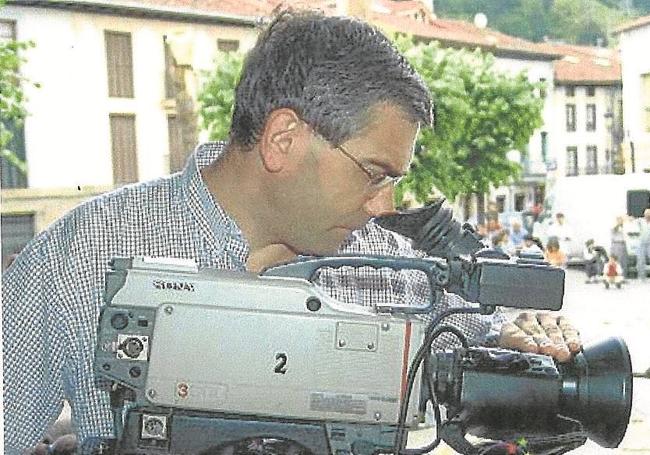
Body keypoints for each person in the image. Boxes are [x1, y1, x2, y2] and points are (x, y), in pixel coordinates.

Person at [2, 10, 581, 454]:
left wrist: (522, 342)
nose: (384, 206)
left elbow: (498, 337)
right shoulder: (81, 255)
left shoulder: (393, 268)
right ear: (283, 139)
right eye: (375, 174)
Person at [637, 208, 650, 280]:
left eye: (649, 213)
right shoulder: (640, 221)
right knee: (641, 260)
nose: (647, 214)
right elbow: (631, 219)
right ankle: (641, 277)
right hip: (642, 244)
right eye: (646, 213)